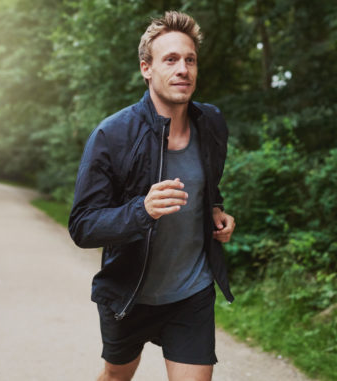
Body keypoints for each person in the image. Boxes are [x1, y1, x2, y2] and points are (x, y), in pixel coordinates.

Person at [68, 11, 235, 381]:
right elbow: (83, 226)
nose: (183, 69)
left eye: (190, 59)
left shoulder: (211, 123)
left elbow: (208, 181)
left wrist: (216, 210)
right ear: (146, 68)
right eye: (171, 59)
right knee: (116, 375)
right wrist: (141, 210)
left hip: (191, 291)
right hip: (130, 295)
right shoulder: (112, 136)